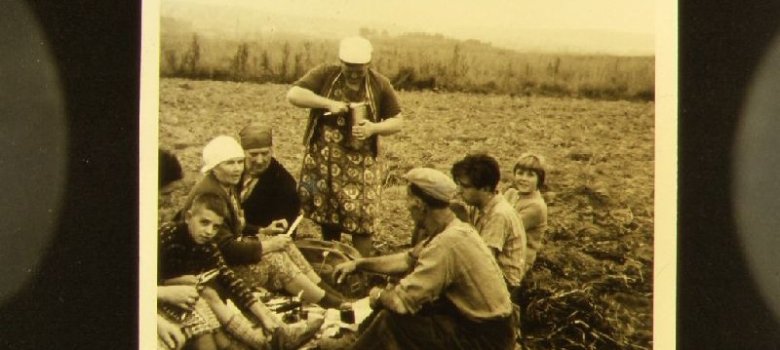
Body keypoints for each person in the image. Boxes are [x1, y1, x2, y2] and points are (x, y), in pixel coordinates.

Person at [332, 168, 516, 350]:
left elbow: (401, 303)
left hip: (486, 339)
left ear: (419, 205)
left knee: (392, 319)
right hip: (475, 324)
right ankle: (354, 341)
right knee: (396, 306)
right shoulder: (453, 228)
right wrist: (359, 264)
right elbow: (406, 260)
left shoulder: (446, 244)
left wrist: (378, 295)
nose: (407, 207)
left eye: (408, 200)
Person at [180, 135, 343, 309]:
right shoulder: (211, 195)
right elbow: (225, 248)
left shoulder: (225, 184)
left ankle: (325, 290)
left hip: (222, 257)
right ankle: (328, 302)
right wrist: (269, 246)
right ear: (213, 168)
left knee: (284, 244)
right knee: (275, 257)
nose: (236, 169)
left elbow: (232, 227)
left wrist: (263, 230)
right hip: (207, 268)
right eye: (229, 163)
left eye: (238, 162)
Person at [159, 192, 325, 350]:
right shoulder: (167, 235)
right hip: (160, 299)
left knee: (215, 293)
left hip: (190, 298)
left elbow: (230, 281)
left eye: (216, 227)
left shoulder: (208, 247)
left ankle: (277, 332)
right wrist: (172, 283)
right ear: (188, 217)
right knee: (209, 300)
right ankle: (265, 343)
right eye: (204, 223)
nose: (209, 231)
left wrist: (264, 316)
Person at [286, 36, 404, 257]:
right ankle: (332, 257)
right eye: (348, 66)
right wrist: (328, 103)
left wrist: (373, 129)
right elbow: (294, 94)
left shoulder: (379, 84)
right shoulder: (326, 74)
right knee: (328, 209)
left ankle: (362, 264)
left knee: (363, 215)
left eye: (359, 68)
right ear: (340, 61)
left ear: (368, 64)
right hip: (325, 157)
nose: (353, 72)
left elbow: (398, 121)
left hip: (362, 161)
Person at [451, 154, 528, 299]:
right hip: (490, 274)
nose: (459, 190)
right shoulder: (478, 204)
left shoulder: (498, 215)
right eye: (458, 184)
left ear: (486, 189)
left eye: (465, 186)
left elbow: (483, 262)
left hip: (503, 285)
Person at [237, 122, 301, 234]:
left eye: (265, 153)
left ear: (271, 151)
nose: (260, 160)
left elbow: (284, 230)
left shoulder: (284, 183)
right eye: (253, 154)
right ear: (242, 152)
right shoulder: (232, 171)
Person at [503, 153, 549, 272]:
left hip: (517, 260)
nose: (523, 178)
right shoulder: (511, 193)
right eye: (520, 173)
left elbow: (507, 230)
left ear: (539, 179)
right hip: (504, 248)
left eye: (530, 175)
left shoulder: (536, 206)